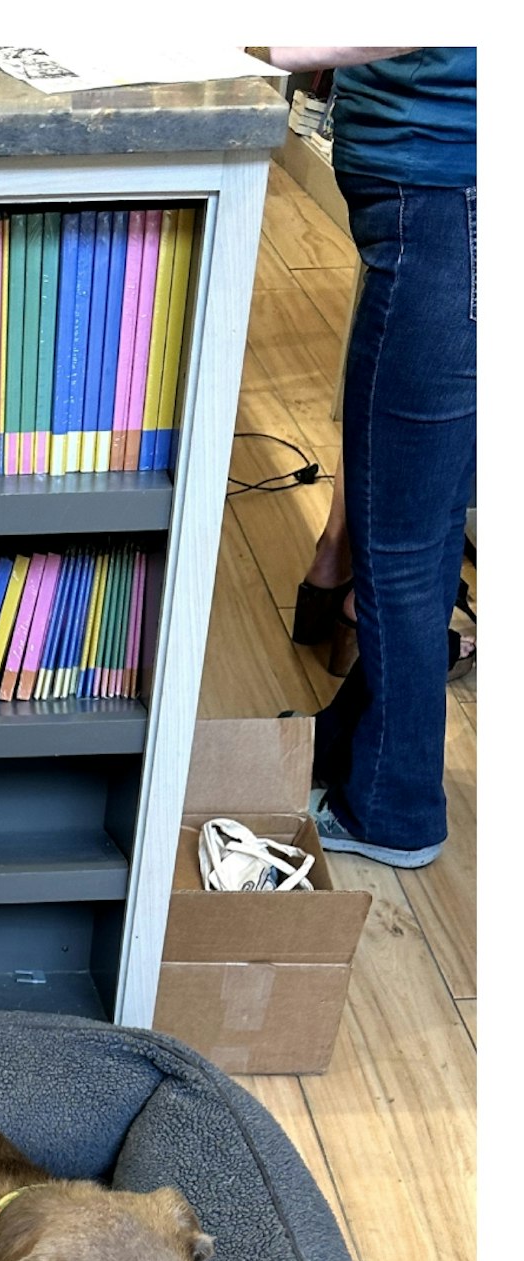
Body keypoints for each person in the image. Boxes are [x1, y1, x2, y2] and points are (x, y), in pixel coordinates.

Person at [266, 46, 475, 869]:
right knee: (413, 513)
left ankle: (394, 809)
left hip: (443, 197)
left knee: (400, 537)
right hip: (433, 196)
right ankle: (359, 742)